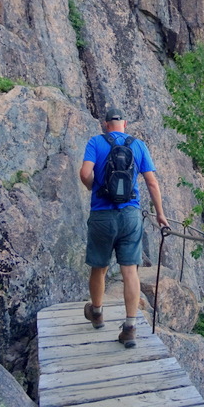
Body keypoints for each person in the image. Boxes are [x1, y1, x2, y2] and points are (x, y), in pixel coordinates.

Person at [79, 107, 168, 348]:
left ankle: (96, 313)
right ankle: (129, 327)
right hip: (130, 215)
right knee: (130, 271)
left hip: (102, 214)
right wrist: (160, 214)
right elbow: (151, 181)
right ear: (124, 124)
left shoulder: (96, 142)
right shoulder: (137, 145)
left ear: (106, 123)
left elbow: (85, 173)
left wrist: (93, 187)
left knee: (99, 267)